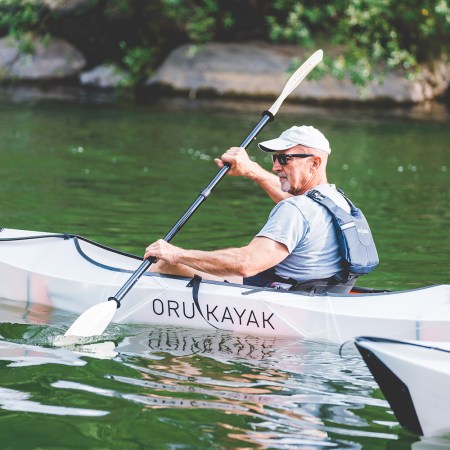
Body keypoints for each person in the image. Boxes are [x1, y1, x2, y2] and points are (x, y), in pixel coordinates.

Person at [144, 125, 360, 293]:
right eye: (275, 158)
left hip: (275, 301)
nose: (275, 166)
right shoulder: (338, 201)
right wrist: (251, 170)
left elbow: (246, 263)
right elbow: (295, 203)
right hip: (312, 293)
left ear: (314, 164)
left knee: (164, 264)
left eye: (284, 159)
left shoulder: (296, 210)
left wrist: (175, 254)